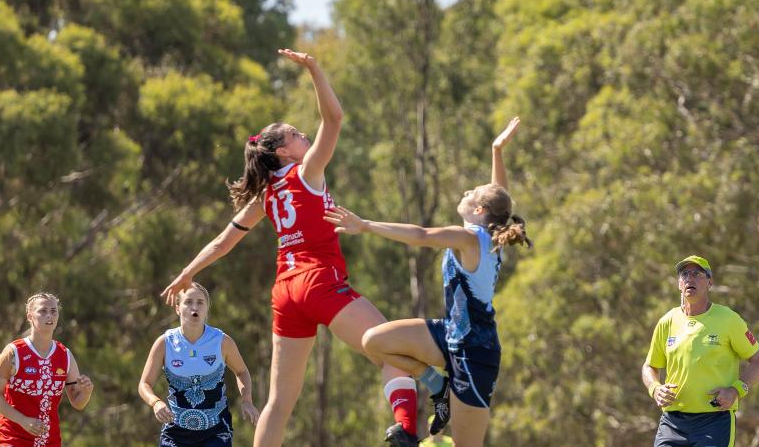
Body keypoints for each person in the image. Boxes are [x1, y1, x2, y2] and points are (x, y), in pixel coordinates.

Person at [161, 48, 414, 447]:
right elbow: (335, 118)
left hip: (286, 292)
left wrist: (188, 273)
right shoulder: (308, 171)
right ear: (282, 151)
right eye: (296, 134)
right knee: (394, 353)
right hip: (319, 281)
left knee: (279, 402)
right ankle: (407, 427)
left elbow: (222, 242)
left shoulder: (264, 197)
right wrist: (314, 68)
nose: (304, 135)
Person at [324, 117, 532, 446]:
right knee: (374, 341)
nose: (466, 191)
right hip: (449, 334)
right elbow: (499, 199)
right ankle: (438, 386)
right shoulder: (490, 233)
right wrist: (496, 151)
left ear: (478, 209)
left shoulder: (469, 237)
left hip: (476, 354)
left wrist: (365, 225)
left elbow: (420, 235)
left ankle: (445, 389)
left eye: (472, 192)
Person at [642, 255, 759, 446]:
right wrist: (655, 388)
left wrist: (736, 390)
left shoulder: (728, 319)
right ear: (679, 284)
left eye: (697, 273)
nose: (689, 278)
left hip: (714, 420)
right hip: (672, 422)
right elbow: (650, 366)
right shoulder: (667, 321)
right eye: (684, 274)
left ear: (710, 282)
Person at [139, 282, 259, 447]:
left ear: (207, 308)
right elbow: (144, 384)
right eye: (188, 302)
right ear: (178, 308)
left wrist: (247, 400)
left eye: (200, 302)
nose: (194, 307)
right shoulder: (164, 343)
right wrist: (155, 402)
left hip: (215, 431)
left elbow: (241, 371)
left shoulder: (222, 341)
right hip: (175, 432)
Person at [0, 292, 94, 447]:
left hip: (50, 440)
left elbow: (78, 403)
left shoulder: (65, 355)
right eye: (43, 311)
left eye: (53, 311)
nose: (49, 315)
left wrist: (86, 392)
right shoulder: (14, 352)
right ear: (30, 316)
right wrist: (23, 420)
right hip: (12, 438)